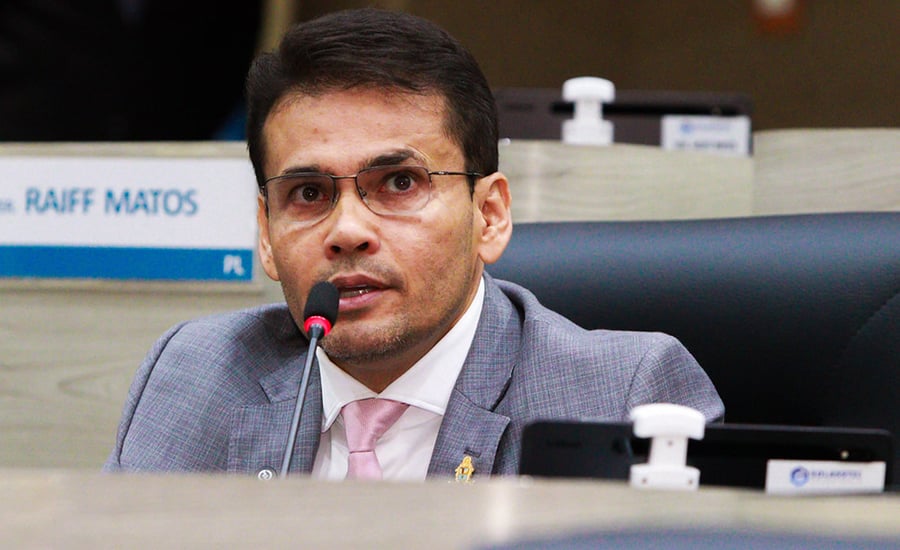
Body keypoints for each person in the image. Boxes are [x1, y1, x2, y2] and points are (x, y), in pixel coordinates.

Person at [104, 8, 723, 480]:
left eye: (399, 183)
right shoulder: (195, 376)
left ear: (489, 215)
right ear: (266, 235)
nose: (347, 231)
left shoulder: (620, 397)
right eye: (309, 193)